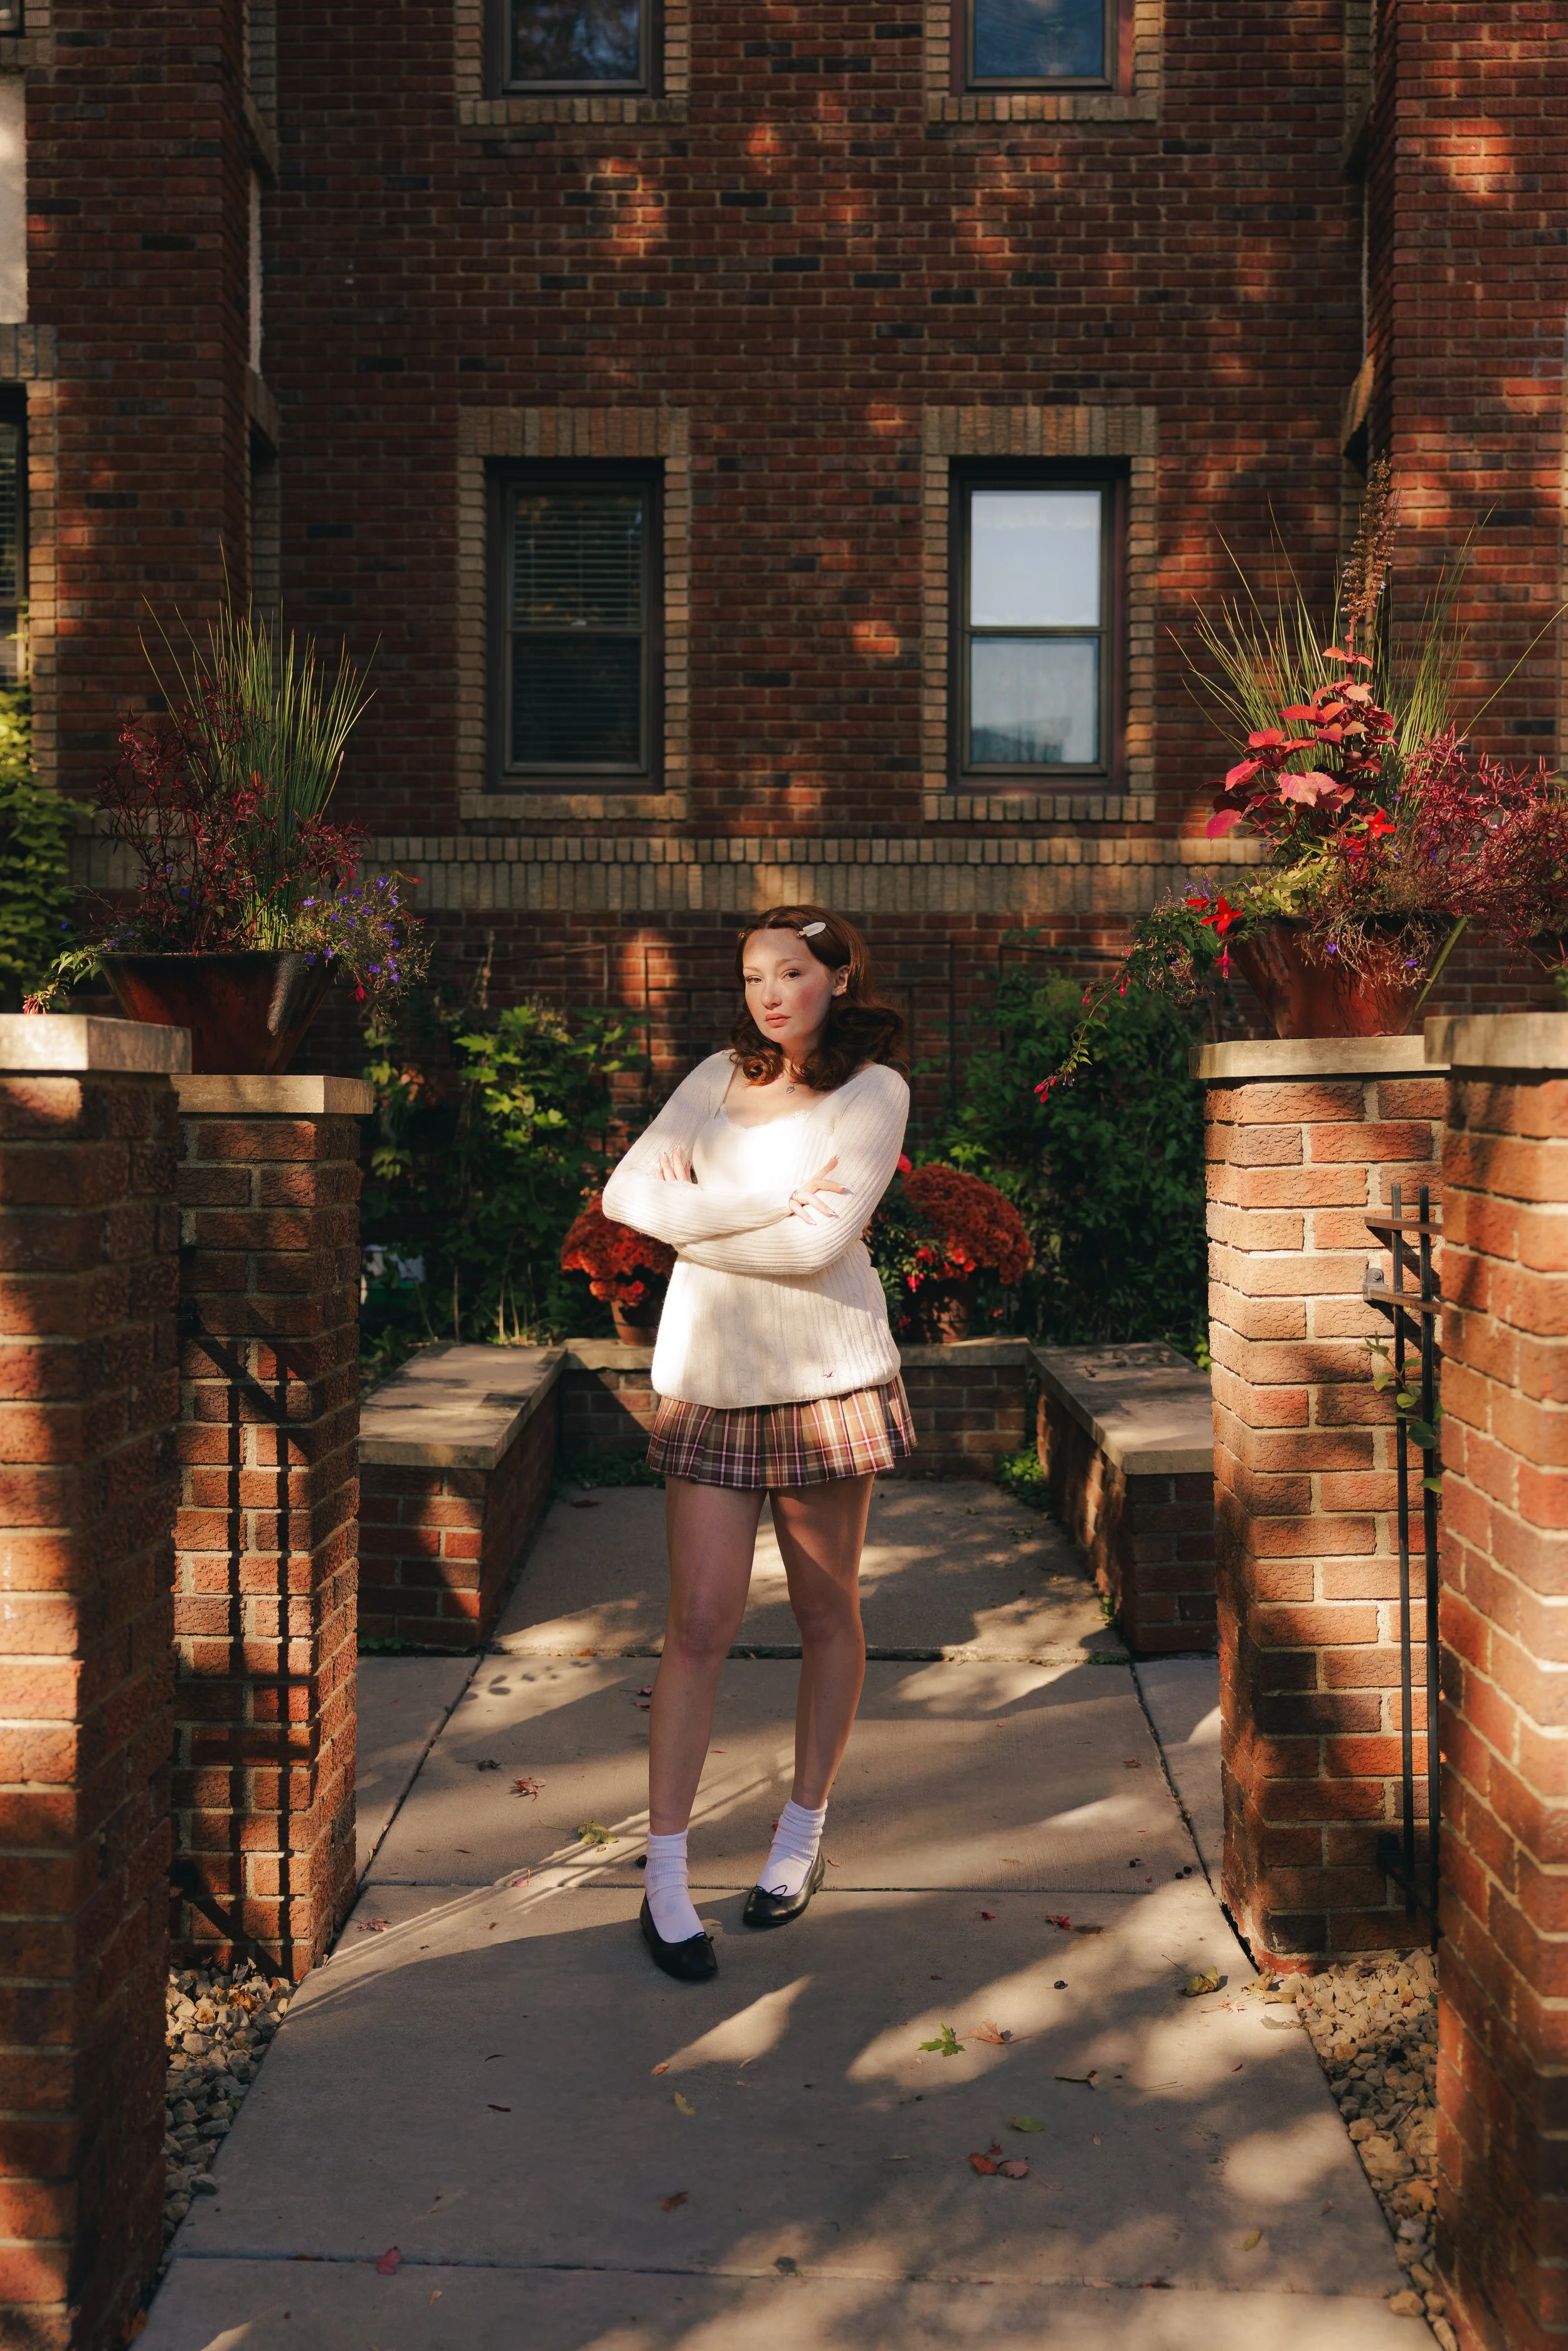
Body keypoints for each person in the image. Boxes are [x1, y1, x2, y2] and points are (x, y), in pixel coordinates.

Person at [601, 903, 914, 1982]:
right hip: (712, 1380)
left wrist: (712, 1208)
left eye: (791, 972)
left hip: (825, 1379)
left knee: (828, 1611)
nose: (769, 994)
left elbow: (823, 1241)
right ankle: (666, 1876)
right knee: (697, 1623)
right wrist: (772, 1197)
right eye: (751, 977)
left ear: (838, 976)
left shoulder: (877, 1092)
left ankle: (799, 1838)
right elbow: (625, 1196)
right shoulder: (712, 1079)